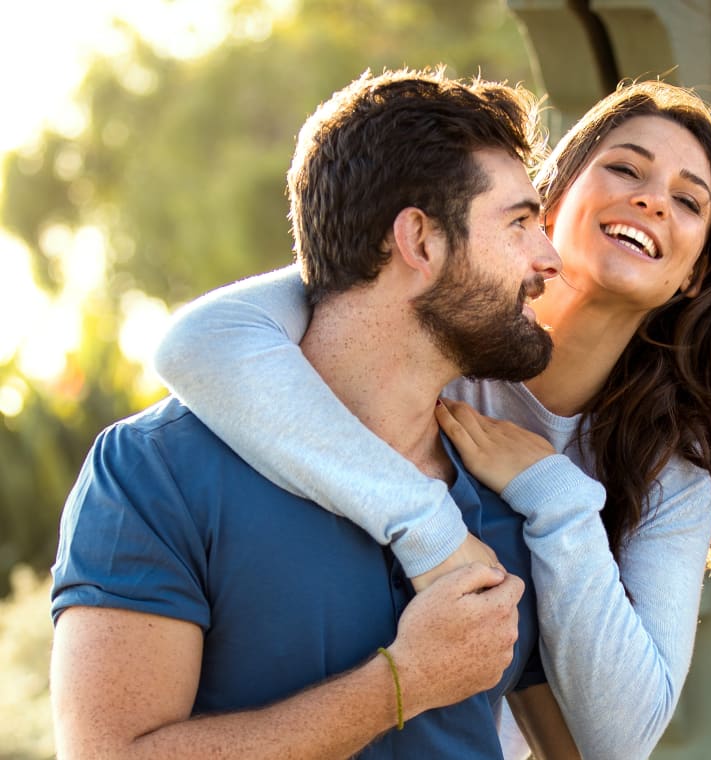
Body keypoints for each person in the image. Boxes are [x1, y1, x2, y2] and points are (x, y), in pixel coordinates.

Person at [153, 79, 711, 759]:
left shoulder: (670, 470)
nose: (653, 199)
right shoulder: (432, 306)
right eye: (624, 167)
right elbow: (198, 343)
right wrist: (432, 530)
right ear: (544, 199)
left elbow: (620, 740)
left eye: (689, 201)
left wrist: (556, 496)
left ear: (694, 276)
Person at [48, 68, 585, 759]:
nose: (549, 259)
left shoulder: (510, 489)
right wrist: (404, 682)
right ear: (419, 241)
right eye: (519, 224)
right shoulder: (157, 472)